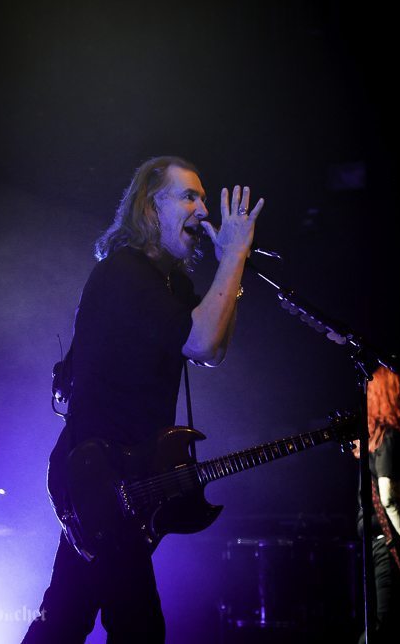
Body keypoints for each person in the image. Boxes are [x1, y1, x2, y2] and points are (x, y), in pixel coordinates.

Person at [21, 155, 264, 643]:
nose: (202, 210)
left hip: (124, 481)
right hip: (96, 475)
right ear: (151, 207)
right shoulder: (125, 274)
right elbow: (201, 342)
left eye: (202, 198)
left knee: (65, 616)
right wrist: (233, 257)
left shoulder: (173, 284)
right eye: (188, 196)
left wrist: (232, 269)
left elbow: (213, 349)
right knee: (138, 627)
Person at [355, 365, 400, 643]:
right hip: (389, 543)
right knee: (384, 624)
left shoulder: (375, 440)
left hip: (378, 541)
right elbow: (389, 497)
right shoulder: (390, 437)